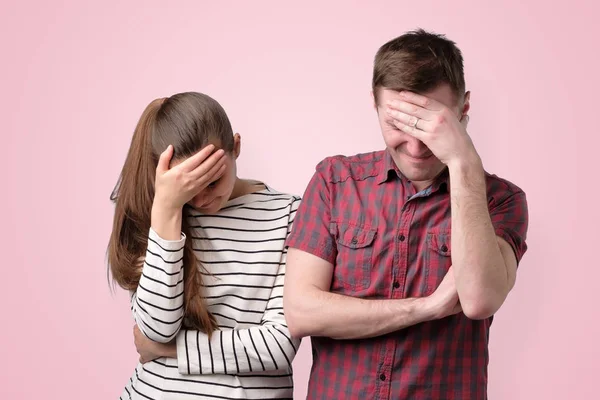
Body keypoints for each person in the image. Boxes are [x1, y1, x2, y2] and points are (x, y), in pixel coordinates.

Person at [283, 29, 529, 399]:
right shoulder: (334, 181)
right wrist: (426, 308)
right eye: (398, 124)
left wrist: (463, 162)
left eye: (430, 126)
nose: (415, 146)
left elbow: (478, 300)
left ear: (464, 109)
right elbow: (301, 312)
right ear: (375, 104)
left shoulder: (500, 200)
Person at [107, 92, 300, 399]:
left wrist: (167, 349)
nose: (201, 200)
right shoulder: (160, 212)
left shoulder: (290, 215)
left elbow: (276, 347)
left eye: (212, 181)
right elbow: (157, 328)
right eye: (189, 187)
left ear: (235, 147)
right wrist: (167, 210)